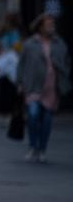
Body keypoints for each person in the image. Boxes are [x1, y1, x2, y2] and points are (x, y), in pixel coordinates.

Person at [17, 13, 70, 163]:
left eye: (52, 24)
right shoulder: (30, 44)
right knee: (33, 115)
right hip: (33, 85)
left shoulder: (59, 43)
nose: (50, 27)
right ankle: (33, 146)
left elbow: (66, 61)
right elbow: (22, 64)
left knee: (47, 119)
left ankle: (42, 148)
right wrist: (20, 83)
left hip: (51, 86)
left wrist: (63, 72)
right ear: (40, 26)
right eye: (47, 24)